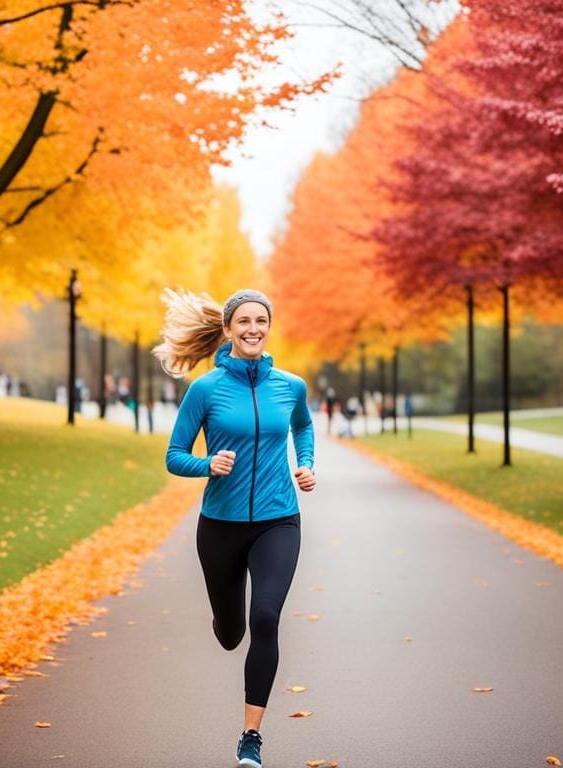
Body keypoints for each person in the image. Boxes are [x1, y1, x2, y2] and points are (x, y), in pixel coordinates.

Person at [154, 287, 316, 768]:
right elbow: (173, 456)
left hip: (278, 521)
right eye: (243, 321)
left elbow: (303, 426)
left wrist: (304, 462)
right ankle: (226, 619)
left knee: (265, 617)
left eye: (261, 321)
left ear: (269, 327)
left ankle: (251, 738)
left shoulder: (290, 386)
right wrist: (209, 465)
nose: (253, 329)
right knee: (231, 632)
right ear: (227, 330)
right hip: (220, 527)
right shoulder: (204, 389)